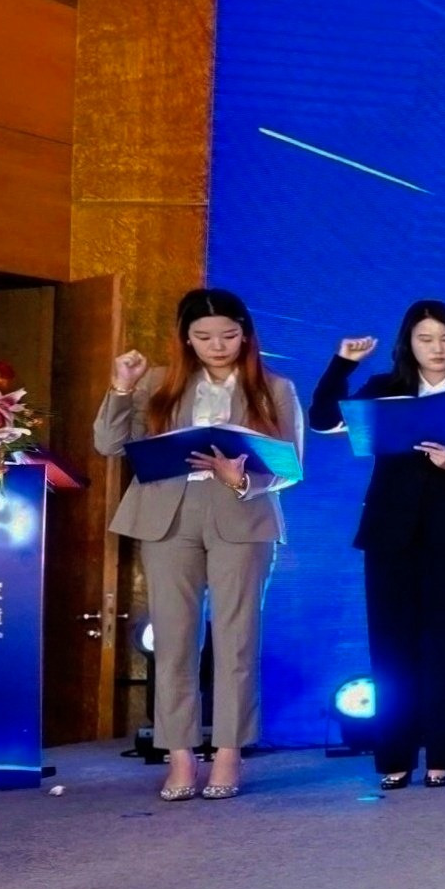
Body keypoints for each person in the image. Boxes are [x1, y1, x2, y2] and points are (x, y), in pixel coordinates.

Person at [94, 285, 301, 802]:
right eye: (204, 336)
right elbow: (108, 444)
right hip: (169, 514)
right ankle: (180, 756)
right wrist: (121, 388)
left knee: (237, 638)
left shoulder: (274, 388)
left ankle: (228, 753)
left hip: (241, 514)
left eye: (228, 335)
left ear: (245, 335)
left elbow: (291, 465)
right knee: (173, 639)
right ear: (186, 338)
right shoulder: (158, 384)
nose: (217, 345)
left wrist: (241, 477)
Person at [308, 300, 445, 789]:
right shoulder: (386, 389)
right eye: (426, 339)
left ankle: (443, 756)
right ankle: (395, 757)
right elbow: (323, 421)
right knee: (392, 646)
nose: (437, 348)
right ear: (409, 344)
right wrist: (343, 364)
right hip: (390, 530)